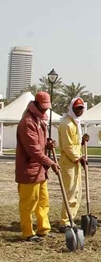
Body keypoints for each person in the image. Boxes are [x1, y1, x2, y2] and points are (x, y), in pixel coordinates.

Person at [15, 92, 60, 242]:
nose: (45, 111)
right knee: (28, 203)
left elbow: (39, 145)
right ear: (36, 104)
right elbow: (33, 150)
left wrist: (47, 144)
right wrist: (51, 162)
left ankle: (43, 229)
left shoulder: (39, 120)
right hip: (29, 170)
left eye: (47, 108)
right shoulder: (28, 122)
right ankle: (28, 232)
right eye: (43, 108)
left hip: (40, 170)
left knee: (43, 201)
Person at [57, 97, 90, 232]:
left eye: (81, 108)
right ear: (71, 108)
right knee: (70, 192)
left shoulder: (75, 123)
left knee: (77, 192)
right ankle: (65, 221)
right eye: (77, 108)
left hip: (75, 162)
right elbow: (67, 146)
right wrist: (79, 158)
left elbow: (74, 144)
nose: (79, 111)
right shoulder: (67, 124)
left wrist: (82, 142)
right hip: (68, 162)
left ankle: (71, 219)